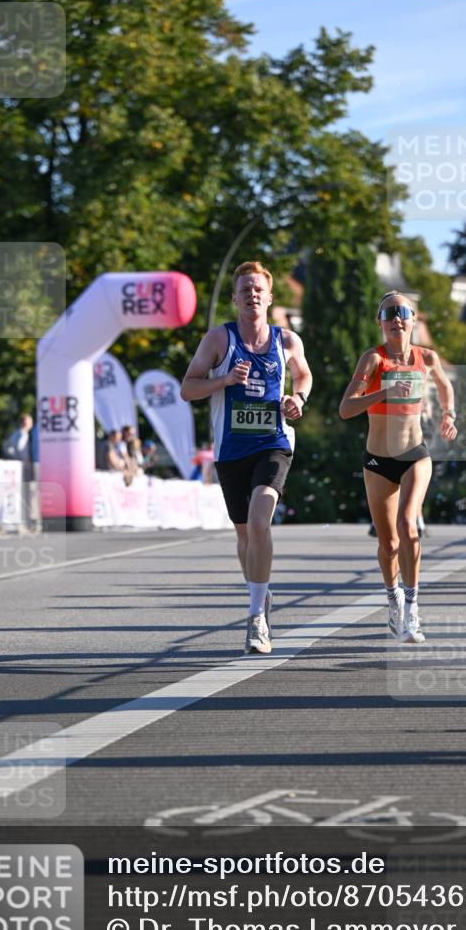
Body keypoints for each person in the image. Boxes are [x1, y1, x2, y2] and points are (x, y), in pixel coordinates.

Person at [181, 260, 312, 654]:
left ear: (270, 298)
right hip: (231, 449)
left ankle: (256, 619)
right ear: (235, 298)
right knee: (244, 534)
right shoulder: (219, 340)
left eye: (258, 289)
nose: (252, 294)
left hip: (274, 444)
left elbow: (303, 375)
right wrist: (224, 379)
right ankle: (261, 592)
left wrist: (298, 399)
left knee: (258, 522)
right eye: (245, 290)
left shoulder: (286, 340)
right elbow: (188, 388)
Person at [339, 291, 457, 643]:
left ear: (413, 320)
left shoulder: (427, 357)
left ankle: (413, 609)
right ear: (380, 323)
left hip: (414, 454)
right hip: (378, 461)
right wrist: (383, 393)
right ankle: (394, 600)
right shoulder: (373, 359)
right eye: (388, 313)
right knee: (388, 543)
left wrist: (449, 415)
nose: (396, 319)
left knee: (408, 523)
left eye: (402, 312)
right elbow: (346, 408)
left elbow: (445, 386)